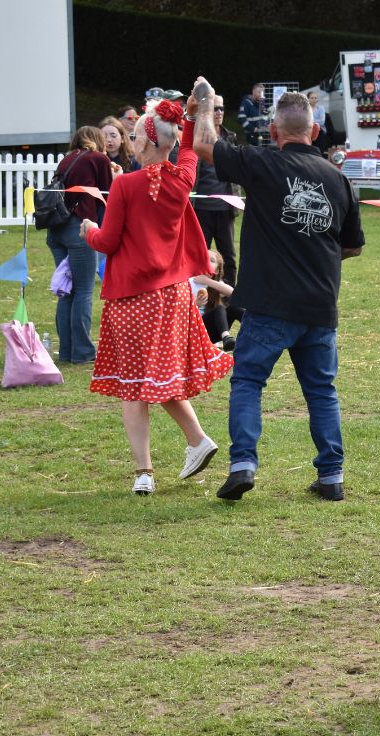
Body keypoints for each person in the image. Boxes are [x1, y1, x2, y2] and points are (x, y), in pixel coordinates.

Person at [192, 81, 365, 502]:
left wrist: (205, 102)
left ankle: (243, 465)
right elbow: (353, 246)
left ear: (273, 132)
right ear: (316, 132)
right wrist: (314, 257)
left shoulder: (262, 164)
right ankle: (331, 476)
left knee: (249, 381)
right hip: (319, 306)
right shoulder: (339, 181)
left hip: (269, 305)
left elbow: (203, 145)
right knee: (321, 391)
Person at [80, 99, 233, 495]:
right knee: (158, 379)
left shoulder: (125, 185)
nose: (129, 140)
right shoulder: (182, 178)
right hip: (175, 294)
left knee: (136, 386)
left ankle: (144, 472)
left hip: (134, 297)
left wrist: (87, 231)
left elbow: (108, 240)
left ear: (147, 143)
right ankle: (197, 441)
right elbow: (187, 148)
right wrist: (187, 115)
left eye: (133, 135)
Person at [45, 126, 114, 364]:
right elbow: (109, 194)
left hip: (57, 230)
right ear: (97, 140)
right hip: (80, 230)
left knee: (68, 291)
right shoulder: (98, 158)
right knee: (84, 290)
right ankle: (83, 352)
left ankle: (66, 351)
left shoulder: (67, 159)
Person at [192, 95, 240, 286]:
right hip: (201, 208)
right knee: (199, 256)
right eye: (215, 108)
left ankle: (229, 299)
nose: (219, 112)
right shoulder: (196, 137)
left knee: (228, 256)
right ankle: (199, 296)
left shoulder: (230, 137)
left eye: (221, 108)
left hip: (225, 207)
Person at [194, 249, 244, 350]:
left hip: (211, 333)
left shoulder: (216, 284)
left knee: (234, 306)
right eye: (204, 258)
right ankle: (226, 337)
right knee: (219, 308)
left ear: (216, 270)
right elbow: (180, 311)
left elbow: (233, 293)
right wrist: (196, 304)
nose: (207, 261)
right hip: (193, 332)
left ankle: (256, 328)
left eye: (211, 260)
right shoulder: (190, 281)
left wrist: (207, 281)